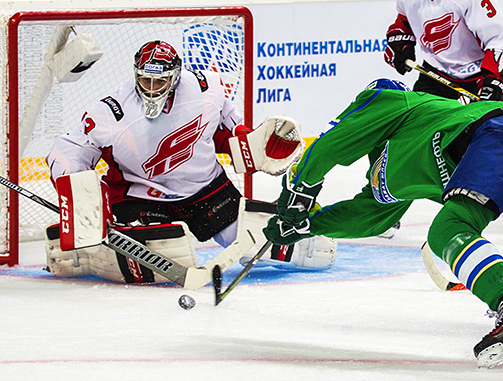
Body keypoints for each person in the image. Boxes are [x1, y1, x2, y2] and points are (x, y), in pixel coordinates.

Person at [262, 78, 503, 368]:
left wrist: (301, 187)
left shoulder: (393, 101)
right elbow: (369, 217)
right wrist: (311, 224)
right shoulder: (386, 173)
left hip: (489, 139)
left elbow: (330, 145)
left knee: (447, 232)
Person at [44, 40, 335, 284]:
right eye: (145, 79)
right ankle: (82, 255)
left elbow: (229, 132)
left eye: (160, 80)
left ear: (176, 75)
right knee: (160, 263)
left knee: (299, 248)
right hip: (143, 199)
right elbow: (67, 151)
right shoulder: (111, 113)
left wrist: (256, 146)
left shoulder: (207, 89)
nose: (152, 87)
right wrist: (79, 199)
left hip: (208, 191)